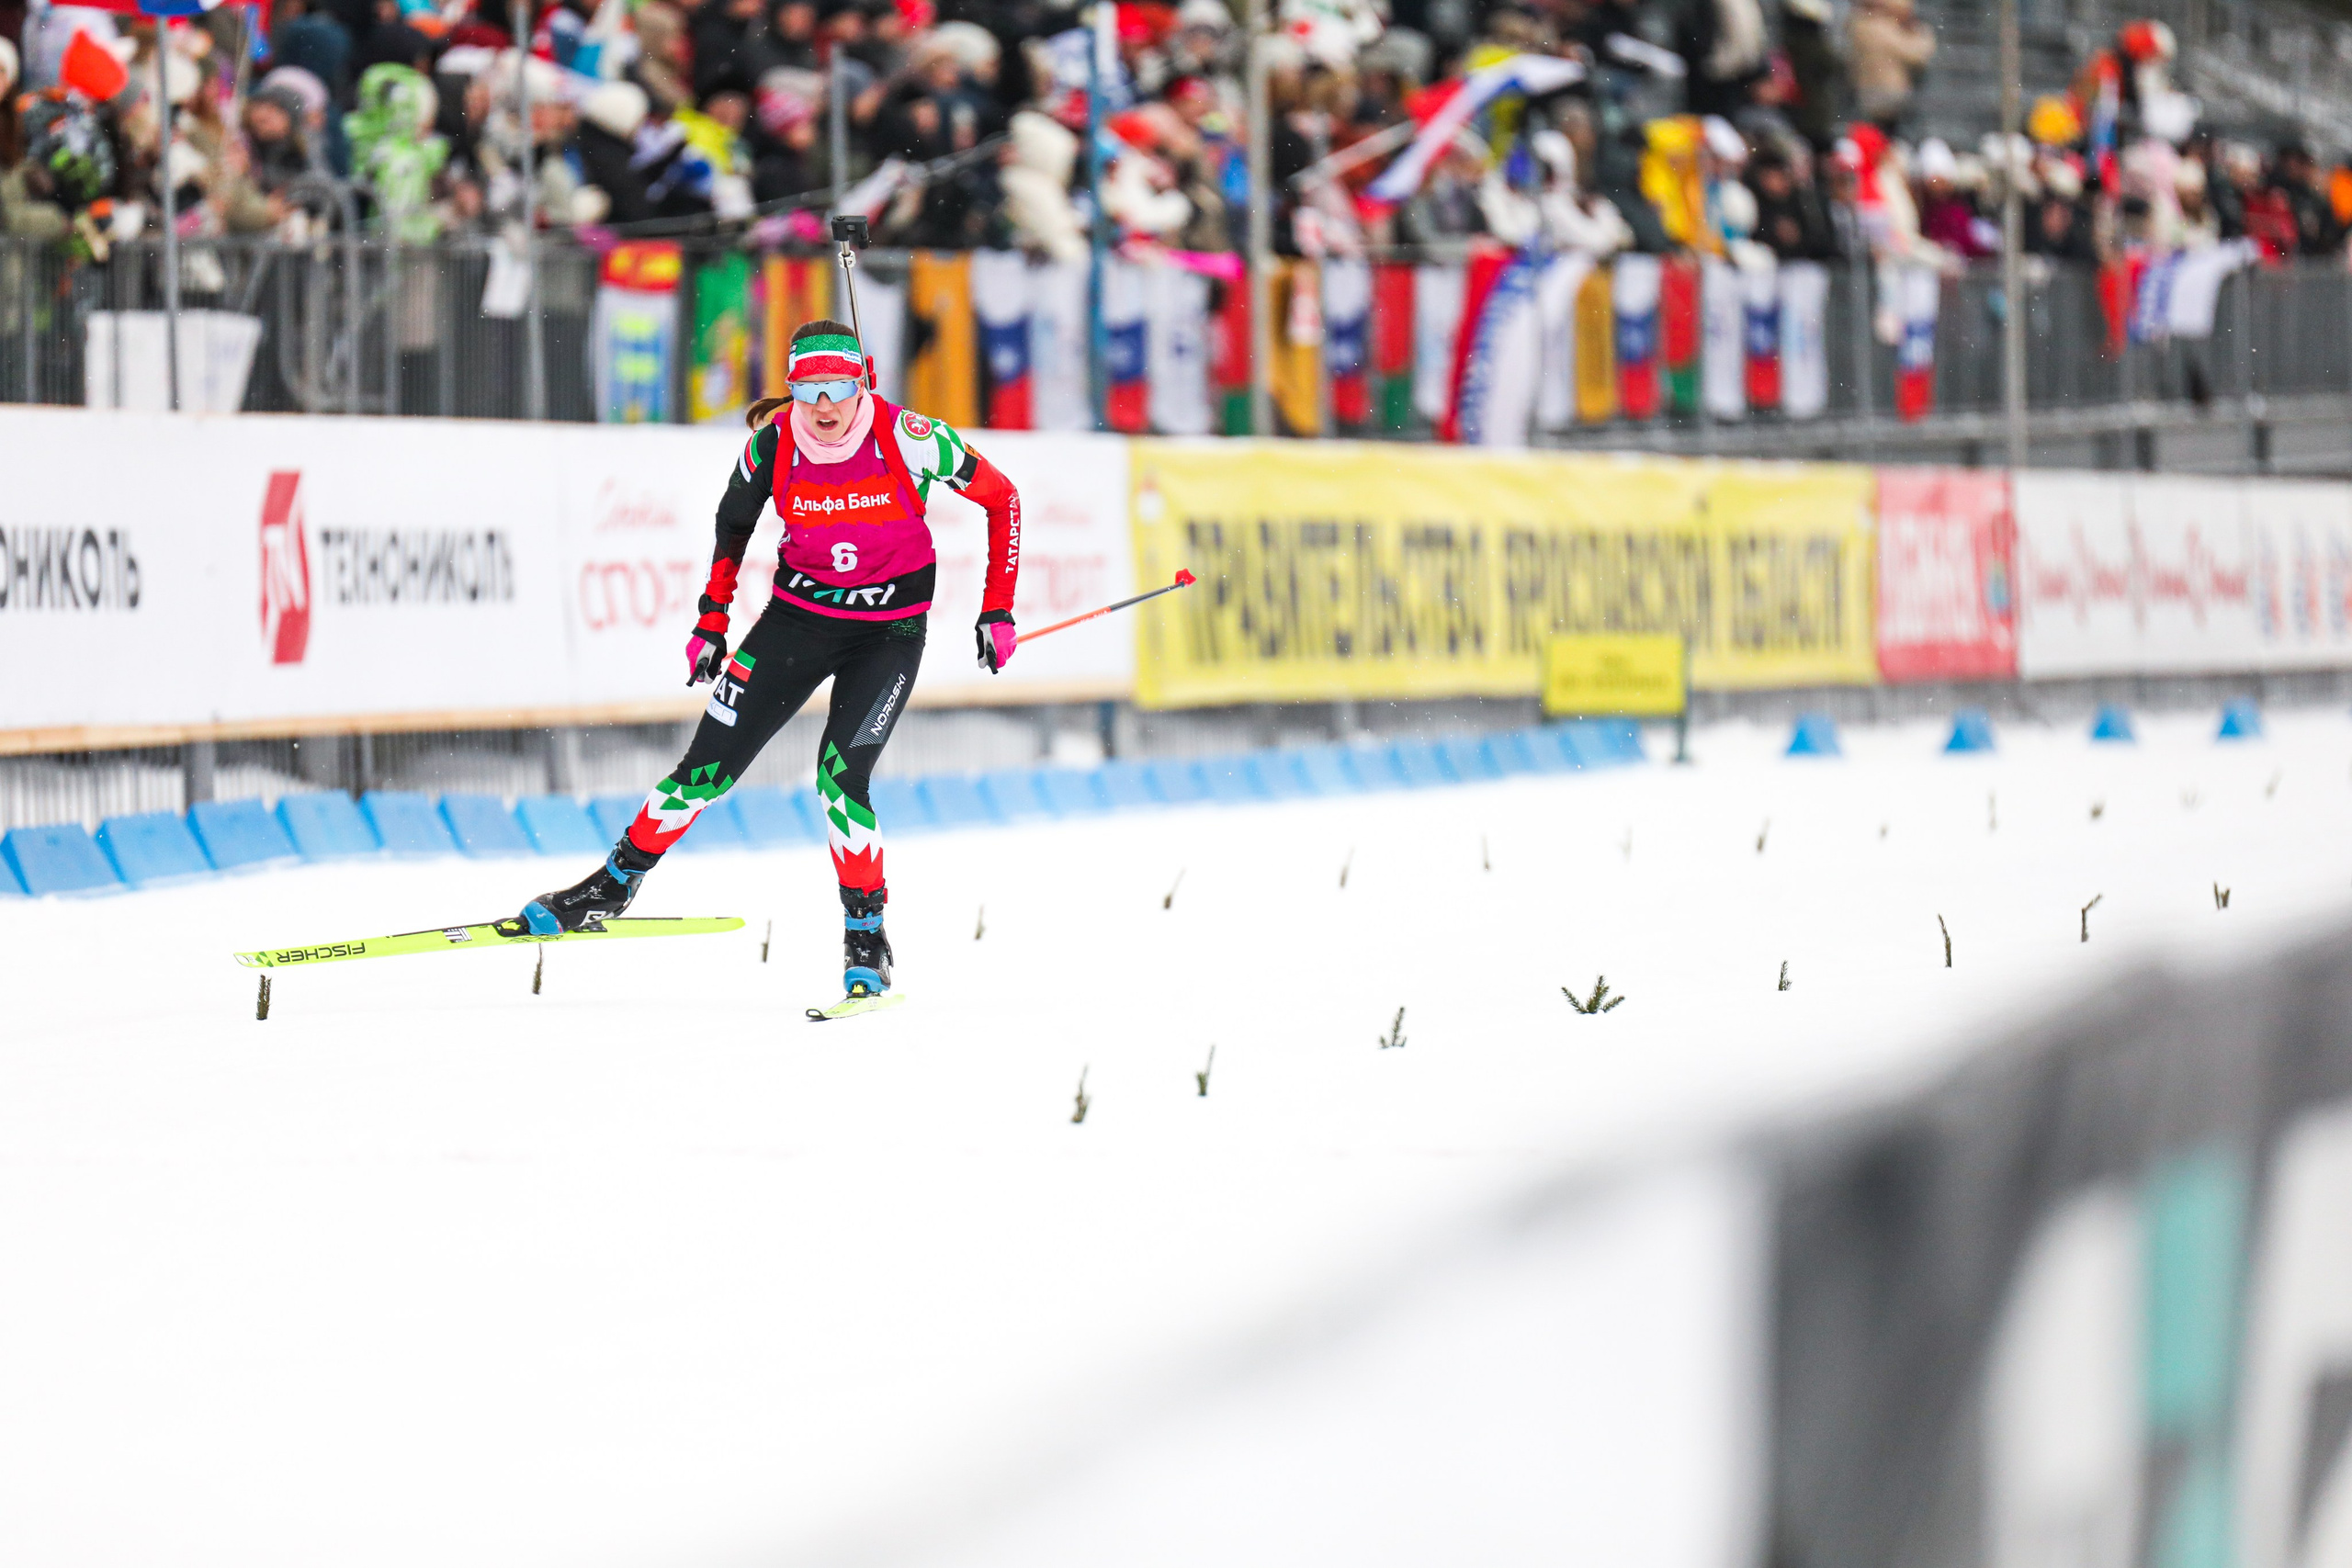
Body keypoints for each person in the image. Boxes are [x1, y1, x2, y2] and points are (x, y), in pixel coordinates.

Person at [522, 320, 1024, 1004]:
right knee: (701, 772)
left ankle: (866, 935)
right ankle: (611, 886)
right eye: (807, 389)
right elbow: (733, 529)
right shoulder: (772, 444)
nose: (823, 406)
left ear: (863, 383)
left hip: (888, 634)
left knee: (840, 782)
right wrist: (711, 619)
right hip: (797, 622)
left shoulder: (910, 438)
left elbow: (1003, 498)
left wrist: (997, 607)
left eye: (838, 388)